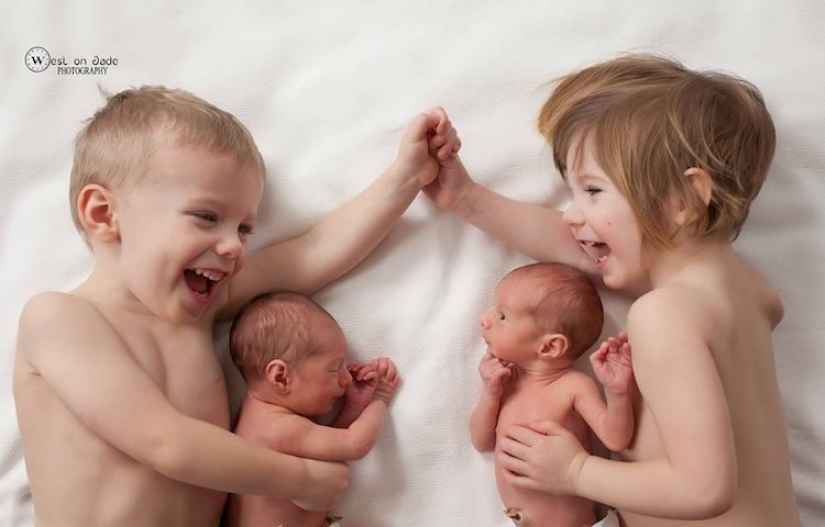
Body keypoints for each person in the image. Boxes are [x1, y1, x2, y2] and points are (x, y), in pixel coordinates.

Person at [12, 85, 459, 527]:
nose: (232, 246)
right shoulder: (58, 319)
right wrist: (298, 478)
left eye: (245, 228)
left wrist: (406, 176)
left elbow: (312, 252)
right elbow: (163, 440)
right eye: (207, 217)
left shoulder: (198, 315)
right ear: (104, 214)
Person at [426, 54, 802, 526]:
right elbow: (584, 251)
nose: (571, 215)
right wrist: (467, 199)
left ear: (683, 200)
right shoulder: (745, 288)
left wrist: (576, 470)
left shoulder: (665, 314)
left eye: (593, 191)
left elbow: (704, 488)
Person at [471, 262, 633, 527]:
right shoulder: (507, 382)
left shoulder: (573, 386)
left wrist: (617, 393)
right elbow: (481, 441)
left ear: (549, 346)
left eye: (502, 316)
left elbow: (615, 439)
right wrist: (490, 392)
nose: (484, 319)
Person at [224, 291, 399, 527]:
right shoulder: (276, 428)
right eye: (334, 368)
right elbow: (353, 444)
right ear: (282, 377)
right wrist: (381, 397)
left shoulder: (260, 419)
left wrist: (353, 407)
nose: (346, 378)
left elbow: (329, 449)